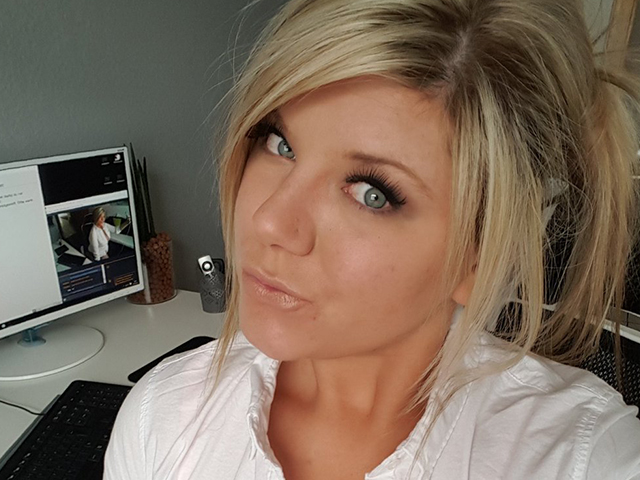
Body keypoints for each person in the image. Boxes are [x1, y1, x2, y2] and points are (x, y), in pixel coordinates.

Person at [105, 0, 640, 478]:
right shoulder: (163, 417)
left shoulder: (582, 459)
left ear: (476, 259)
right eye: (280, 143)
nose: (269, 221)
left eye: (371, 193)